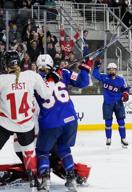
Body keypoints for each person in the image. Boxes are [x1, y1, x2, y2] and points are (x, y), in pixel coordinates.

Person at [35, 54, 91, 192]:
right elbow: (83, 82)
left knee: (42, 151)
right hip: (71, 119)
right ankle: (71, 180)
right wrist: (85, 68)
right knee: (64, 149)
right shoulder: (64, 72)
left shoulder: (34, 79)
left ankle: (45, 180)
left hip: (50, 122)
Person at [0, 50, 55, 190]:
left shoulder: (1, 80)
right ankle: (33, 181)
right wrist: (51, 79)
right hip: (26, 124)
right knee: (28, 152)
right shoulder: (32, 75)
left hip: (5, 123)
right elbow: (47, 93)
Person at [93, 61, 130, 147]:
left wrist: (126, 94)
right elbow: (95, 75)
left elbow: (126, 89)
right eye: (110, 69)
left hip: (118, 103)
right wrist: (96, 67)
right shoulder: (104, 77)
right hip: (107, 103)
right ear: (107, 70)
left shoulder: (121, 79)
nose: (111, 71)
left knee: (121, 122)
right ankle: (108, 138)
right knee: (108, 122)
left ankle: (123, 138)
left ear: (116, 70)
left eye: (113, 69)